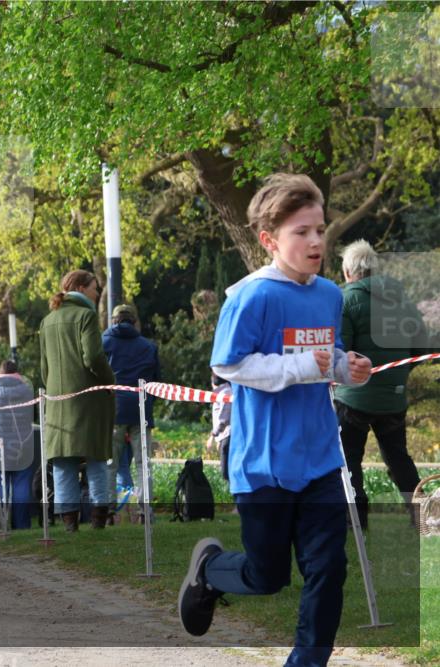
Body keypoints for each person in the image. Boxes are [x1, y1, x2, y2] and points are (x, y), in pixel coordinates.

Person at [177, 173, 372, 667]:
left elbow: (325, 355)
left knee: (329, 569)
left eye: (320, 229)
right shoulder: (252, 296)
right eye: (301, 232)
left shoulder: (330, 295)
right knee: (268, 578)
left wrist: (349, 367)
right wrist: (303, 367)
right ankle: (211, 568)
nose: (315, 241)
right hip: (263, 463)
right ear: (269, 240)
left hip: (321, 458)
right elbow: (229, 365)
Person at [334, 239, 431, 530]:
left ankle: (356, 520)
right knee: (399, 459)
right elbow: (422, 346)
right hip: (394, 397)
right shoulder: (402, 300)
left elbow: (342, 350)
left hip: (352, 397)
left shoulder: (346, 300)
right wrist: (398, 375)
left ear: (349, 272)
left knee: (350, 459)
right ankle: (423, 515)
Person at [39, 270, 116, 531]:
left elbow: (44, 369)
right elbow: (93, 357)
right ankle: (98, 521)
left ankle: (70, 524)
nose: (97, 294)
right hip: (89, 399)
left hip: (58, 402)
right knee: (96, 457)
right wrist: (109, 380)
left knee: (63, 462)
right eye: (95, 288)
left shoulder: (47, 320)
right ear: (82, 289)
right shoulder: (86, 315)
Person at [102, 303, 162, 524]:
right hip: (141, 408)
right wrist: (147, 402)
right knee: (142, 463)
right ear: (134, 321)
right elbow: (157, 381)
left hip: (113, 409)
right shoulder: (148, 346)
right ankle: (145, 511)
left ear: (114, 320)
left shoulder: (104, 342)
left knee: (111, 462)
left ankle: (108, 511)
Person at [0, 360, 35, 530]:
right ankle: (22, 526)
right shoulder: (27, 391)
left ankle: (0, 524)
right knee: (22, 485)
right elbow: (32, 414)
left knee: (0, 484)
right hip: (23, 445)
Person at [206, 373, 233, 484]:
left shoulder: (225, 393)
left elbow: (224, 418)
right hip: (225, 436)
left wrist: (213, 436)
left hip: (228, 435)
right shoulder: (222, 392)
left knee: (226, 474)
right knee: (225, 473)